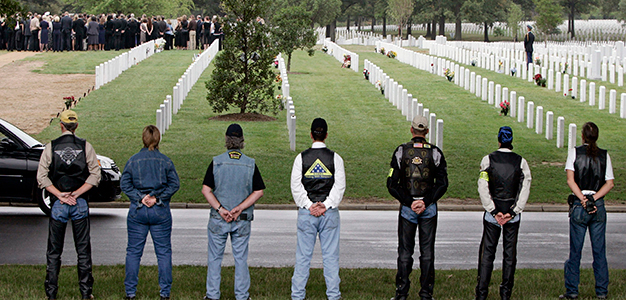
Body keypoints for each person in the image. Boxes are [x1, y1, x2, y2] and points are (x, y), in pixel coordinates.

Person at [36, 110, 100, 300]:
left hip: (59, 203)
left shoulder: (51, 147)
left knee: (54, 251)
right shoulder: (85, 146)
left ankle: (51, 293)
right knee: (83, 250)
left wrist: (59, 195)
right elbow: (95, 175)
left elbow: (41, 177)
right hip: (79, 201)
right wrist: (77, 193)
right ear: (76, 126)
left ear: (61, 126)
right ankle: (86, 292)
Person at [387, 115, 448, 300]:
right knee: (427, 252)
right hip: (428, 208)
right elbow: (443, 183)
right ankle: (426, 294)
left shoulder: (401, 151)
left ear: (412, 130)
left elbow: (391, 183)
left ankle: (402, 293)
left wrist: (409, 201)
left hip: (408, 208)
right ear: (427, 132)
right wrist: (426, 201)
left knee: (405, 252)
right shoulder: (435, 152)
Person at [202, 124, 265, 300]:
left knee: (215, 258)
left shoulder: (216, 161)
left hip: (218, 218)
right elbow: (258, 191)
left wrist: (221, 209)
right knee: (240, 259)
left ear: (226, 139)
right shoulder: (250, 164)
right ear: (242, 141)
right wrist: (240, 208)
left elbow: (206, 190)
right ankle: (242, 295)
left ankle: (212, 295)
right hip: (241, 218)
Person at [120, 125, 179, 300]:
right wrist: (156, 197)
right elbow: (174, 184)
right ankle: (165, 292)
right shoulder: (166, 161)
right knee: (163, 252)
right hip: (159, 210)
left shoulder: (133, 160)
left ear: (143, 139)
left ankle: (130, 293)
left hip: (138, 210)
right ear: (158, 139)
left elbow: (125, 184)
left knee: (133, 252)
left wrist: (140, 197)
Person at [290, 118, 346, 300]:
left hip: (307, 213)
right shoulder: (335, 158)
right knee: (330, 258)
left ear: (311, 135)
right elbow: (340, 186)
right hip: (328, 213)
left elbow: (296, 186)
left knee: (303, 257)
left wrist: (309, 205)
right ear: (326, 135)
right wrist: (326, 205)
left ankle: (297, 295)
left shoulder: (301, 158)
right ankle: (333, 295)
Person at [475, 126, 532, 300]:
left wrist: (493, 210)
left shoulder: (488, 160)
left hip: (493, 215)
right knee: (509, 255)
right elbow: (524, 188)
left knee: (487, 255)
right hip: (511, 215)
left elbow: (483, 186)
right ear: (511, 140)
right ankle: (505, 293)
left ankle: (482, 293)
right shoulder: (521, 162)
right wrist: (513, 212)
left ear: (498, 140)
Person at [559, 122, 614, 300]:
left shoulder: (575, 153)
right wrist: (594, 198)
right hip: (598, 206)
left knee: (575, 250)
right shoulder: (605, 155)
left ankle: (572, 291)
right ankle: (601, 291)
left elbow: (570, 180)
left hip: (579, 204)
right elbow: (610, 183)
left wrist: (583, 199)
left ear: (582, 136)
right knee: (599, 251)